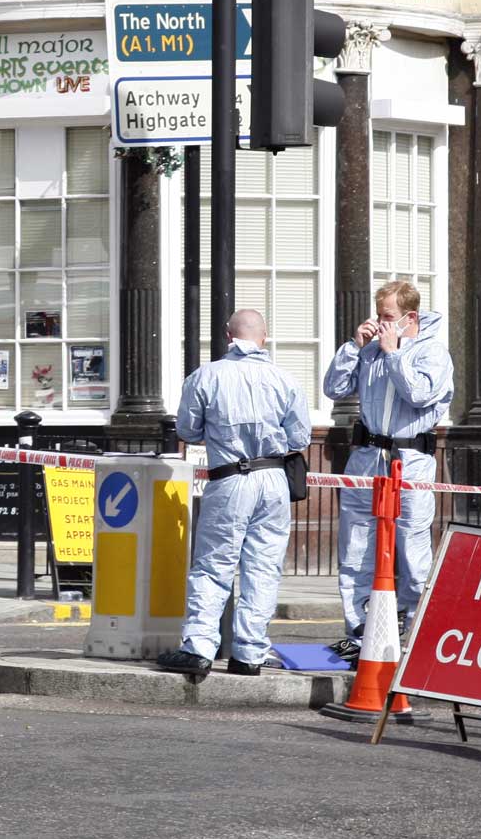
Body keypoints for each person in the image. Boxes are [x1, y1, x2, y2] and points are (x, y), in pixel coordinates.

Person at [158, 310, 311, 680]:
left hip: (229, 477)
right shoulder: (285, 379)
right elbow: (301, 438)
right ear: (265, 337)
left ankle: (198, 648)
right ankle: (249, 654)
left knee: (214, 565)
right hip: (273, 477)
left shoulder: (205, 377)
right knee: (264, 568)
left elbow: (188, 430)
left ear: (228, 337)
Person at [320, 280, 454, 659]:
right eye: (378, 315)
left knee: (412, 549)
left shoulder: (433, 352)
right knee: (356, 546)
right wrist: (353, 347)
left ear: (410, 317)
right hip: (367, 456)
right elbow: (333, 388)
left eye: (387, 317)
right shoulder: (371, 350)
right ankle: (359, 631)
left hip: (410, 460)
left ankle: (413, 632)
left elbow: (419, 395)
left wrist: (394, 355)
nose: (379, 324)